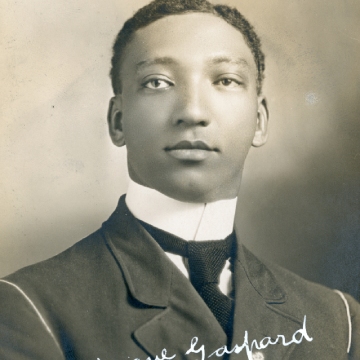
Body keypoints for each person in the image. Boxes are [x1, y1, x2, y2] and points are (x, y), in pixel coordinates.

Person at [0, 0, 359, 359]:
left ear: (260, 120)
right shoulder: (31, 308)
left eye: (226, 80)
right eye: (157, 82)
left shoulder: (339, 321)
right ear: (118, 121)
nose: (192, 111)